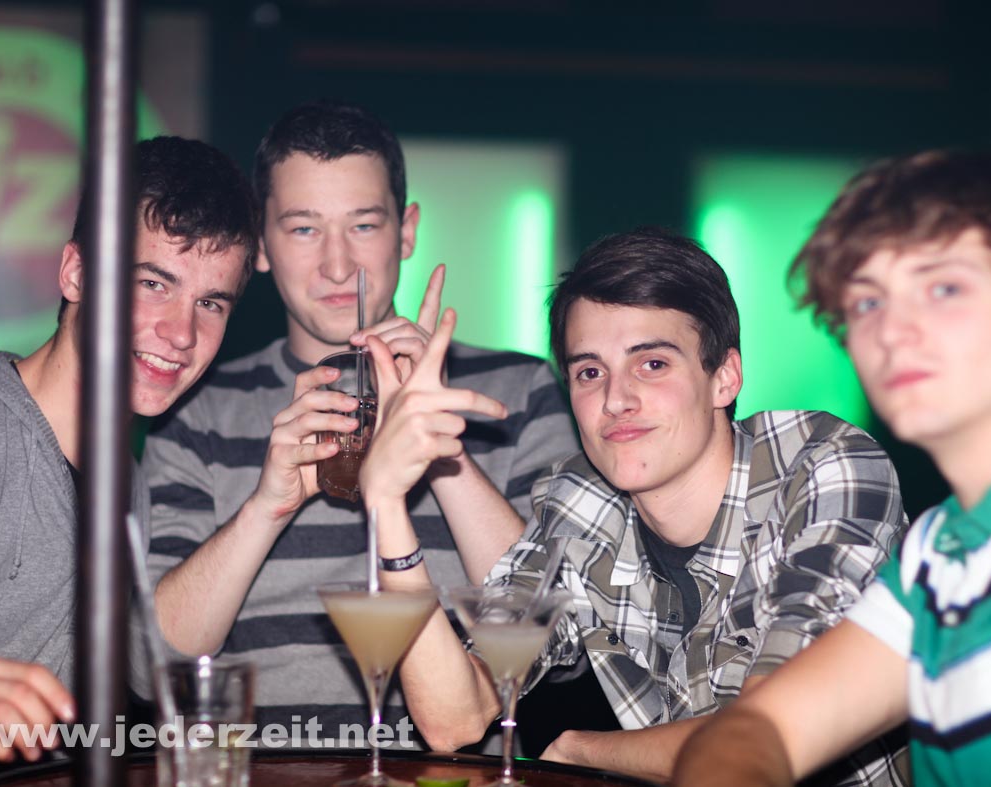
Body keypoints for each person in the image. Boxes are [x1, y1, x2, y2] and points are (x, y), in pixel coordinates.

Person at [364, 228, 910, 784]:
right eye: (590, 372)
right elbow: (454, 718)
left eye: (652, 364)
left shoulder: (823, 467)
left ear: (724, 378)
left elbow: (773, 733)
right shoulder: (577, 503)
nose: (616, 399)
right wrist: (387, 503)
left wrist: (582, 751)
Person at [674, 150, 991, 787]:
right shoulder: (941, 546)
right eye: (868, 303)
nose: (892, 331)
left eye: (943, 289)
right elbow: (756, 729)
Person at [139, 100, 578, 738]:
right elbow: (152, 662)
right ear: (260, 245)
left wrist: (443, 448)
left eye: (364, 226)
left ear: (407, 231)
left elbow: (564, 641)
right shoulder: (198, 408)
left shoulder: (519, 390)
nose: (338, 266)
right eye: (303, 229)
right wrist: (266, 507)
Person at [0, 135, 258, 780]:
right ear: (75, 273)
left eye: (210, 303)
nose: (181, 333)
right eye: (153, 283)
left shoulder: (128, 482)